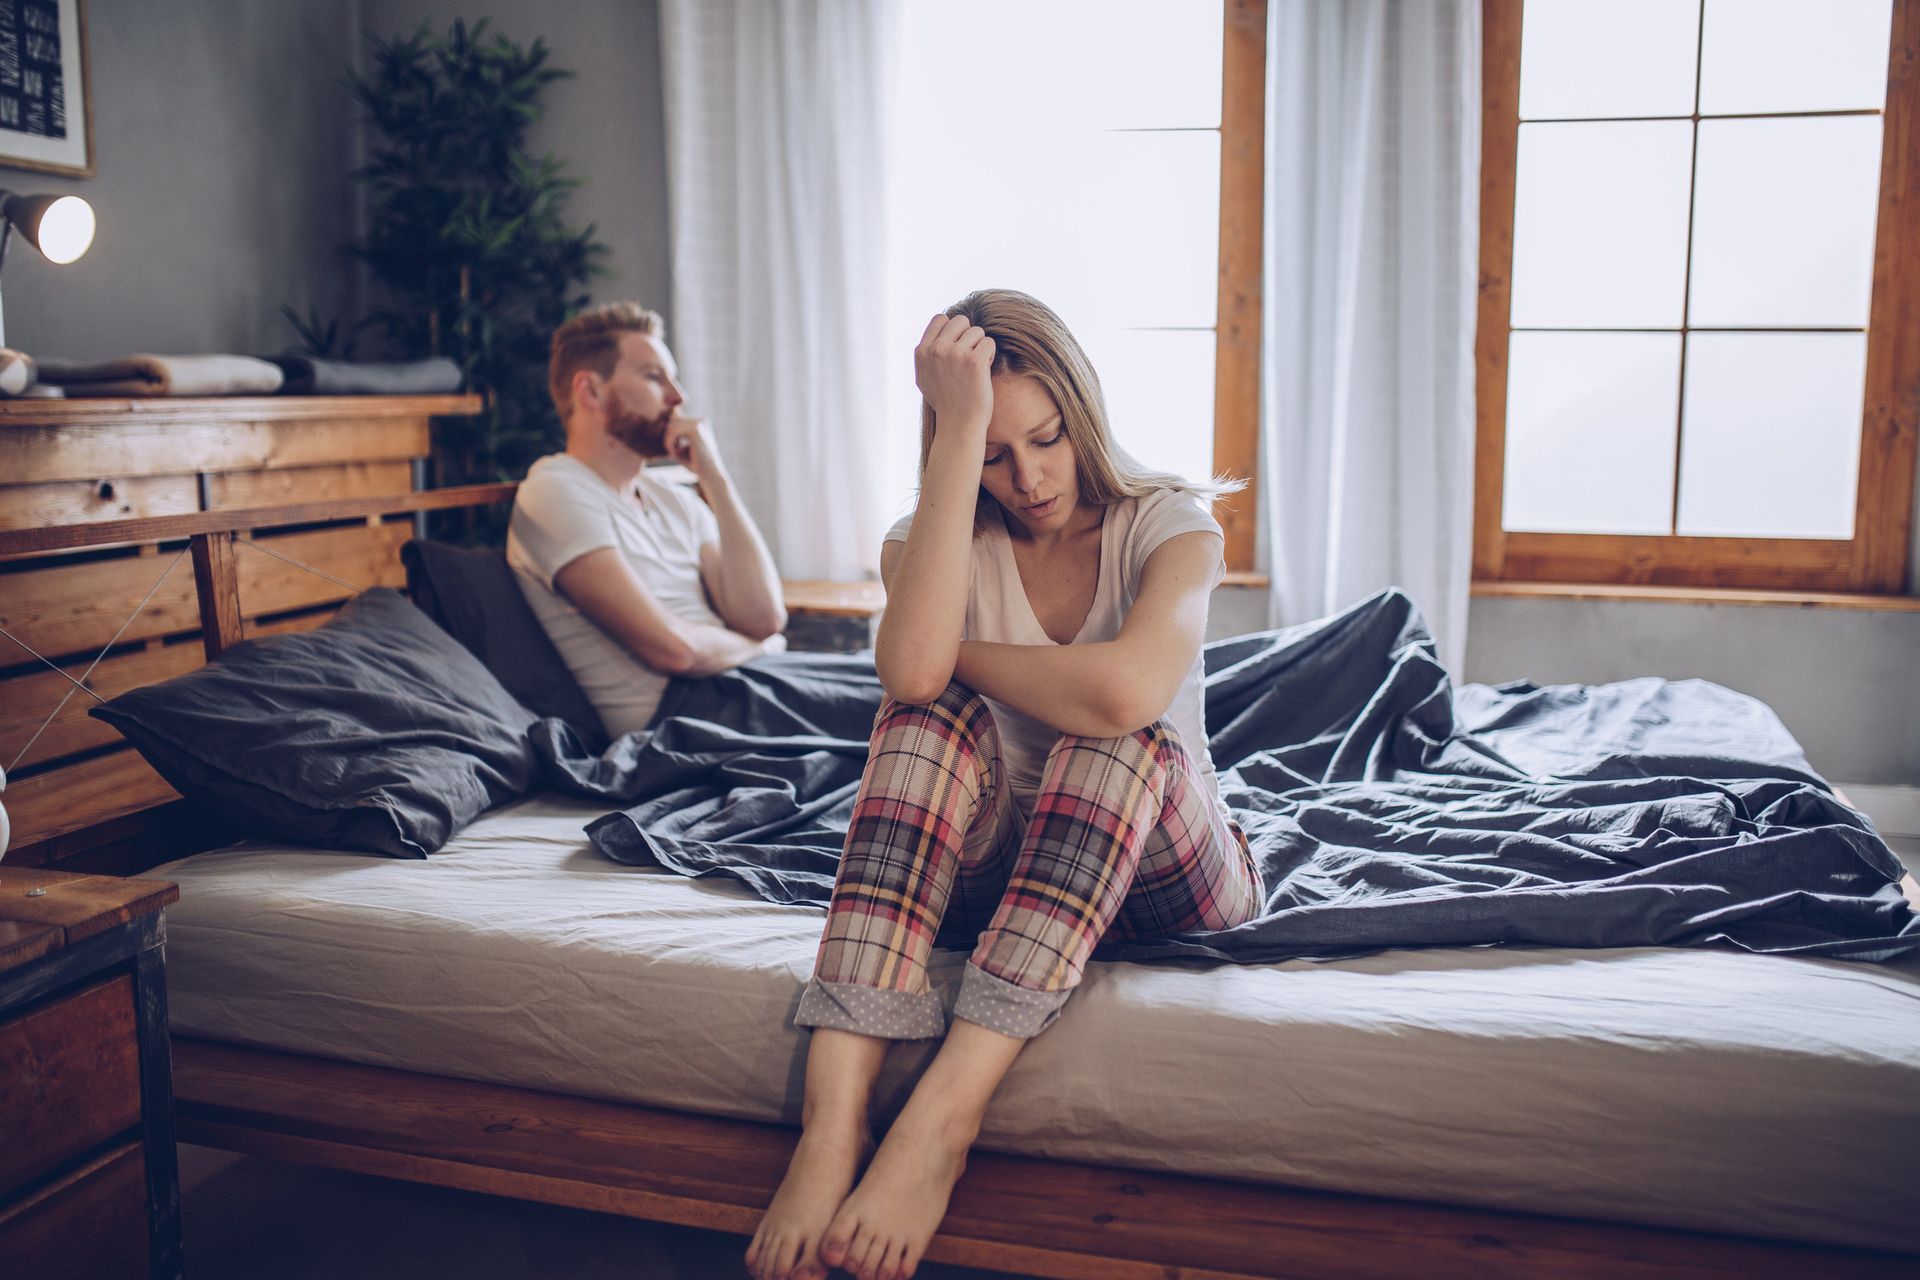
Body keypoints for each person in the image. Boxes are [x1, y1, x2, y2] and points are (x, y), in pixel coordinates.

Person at [747, 290, 1265, 1280]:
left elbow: (1124, 694)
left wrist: (955, 653)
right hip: (1008, 872)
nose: (1028, 479)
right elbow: (910, 680)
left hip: (1170, 869)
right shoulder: (926, 542)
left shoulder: (1172, 524)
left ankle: (941, 1121)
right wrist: (955, 437)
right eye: (992, 453)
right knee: (922, 719)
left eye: (1047, 439)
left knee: (1114, 740)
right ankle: (834, 1121)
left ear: (1084, 413)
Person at [507, 302, 787, 740]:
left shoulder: (673, 498)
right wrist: (756, 649)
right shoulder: (554, 490)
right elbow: (673, 651)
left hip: (738, 681)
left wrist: (716, 478)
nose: (678, 397)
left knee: (892, 694)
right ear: (591, 391)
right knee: (884, 713)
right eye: (655, 377)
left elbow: (764, 617)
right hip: (681, 717)